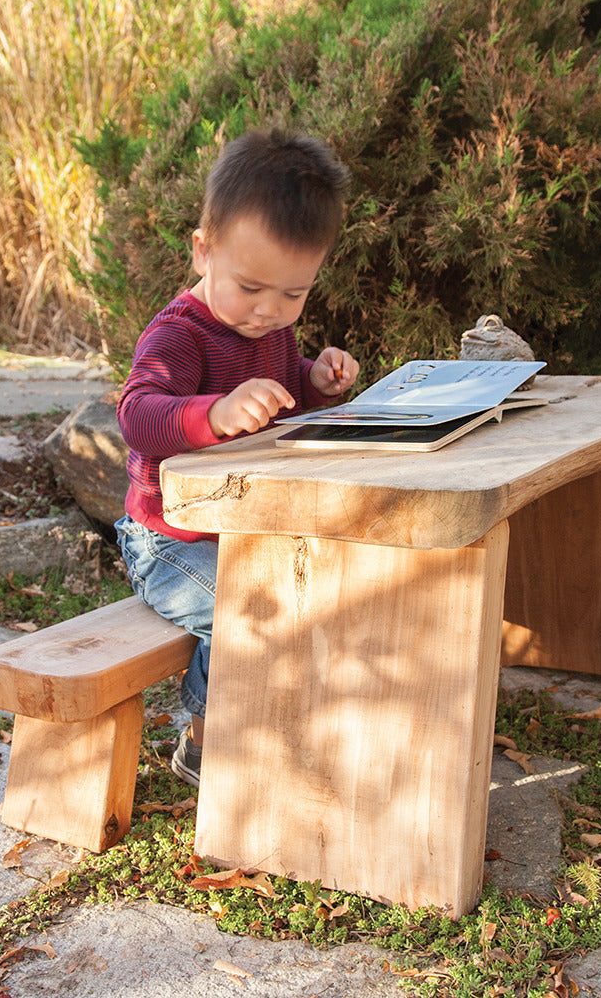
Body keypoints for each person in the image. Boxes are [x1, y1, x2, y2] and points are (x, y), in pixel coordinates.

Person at [114, 129, 359, 788]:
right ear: (204, 250)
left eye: (293, 293)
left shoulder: (272, 329)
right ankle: (204, 741)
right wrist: (213, 414)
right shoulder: (179, 335)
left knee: (321, 593)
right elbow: (137, 414)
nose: (268, 311)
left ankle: (297, 721)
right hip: (168, 539)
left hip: (244, 527)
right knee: (249, 611)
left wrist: (315, 381)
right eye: (251, 287)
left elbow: (278, 394)